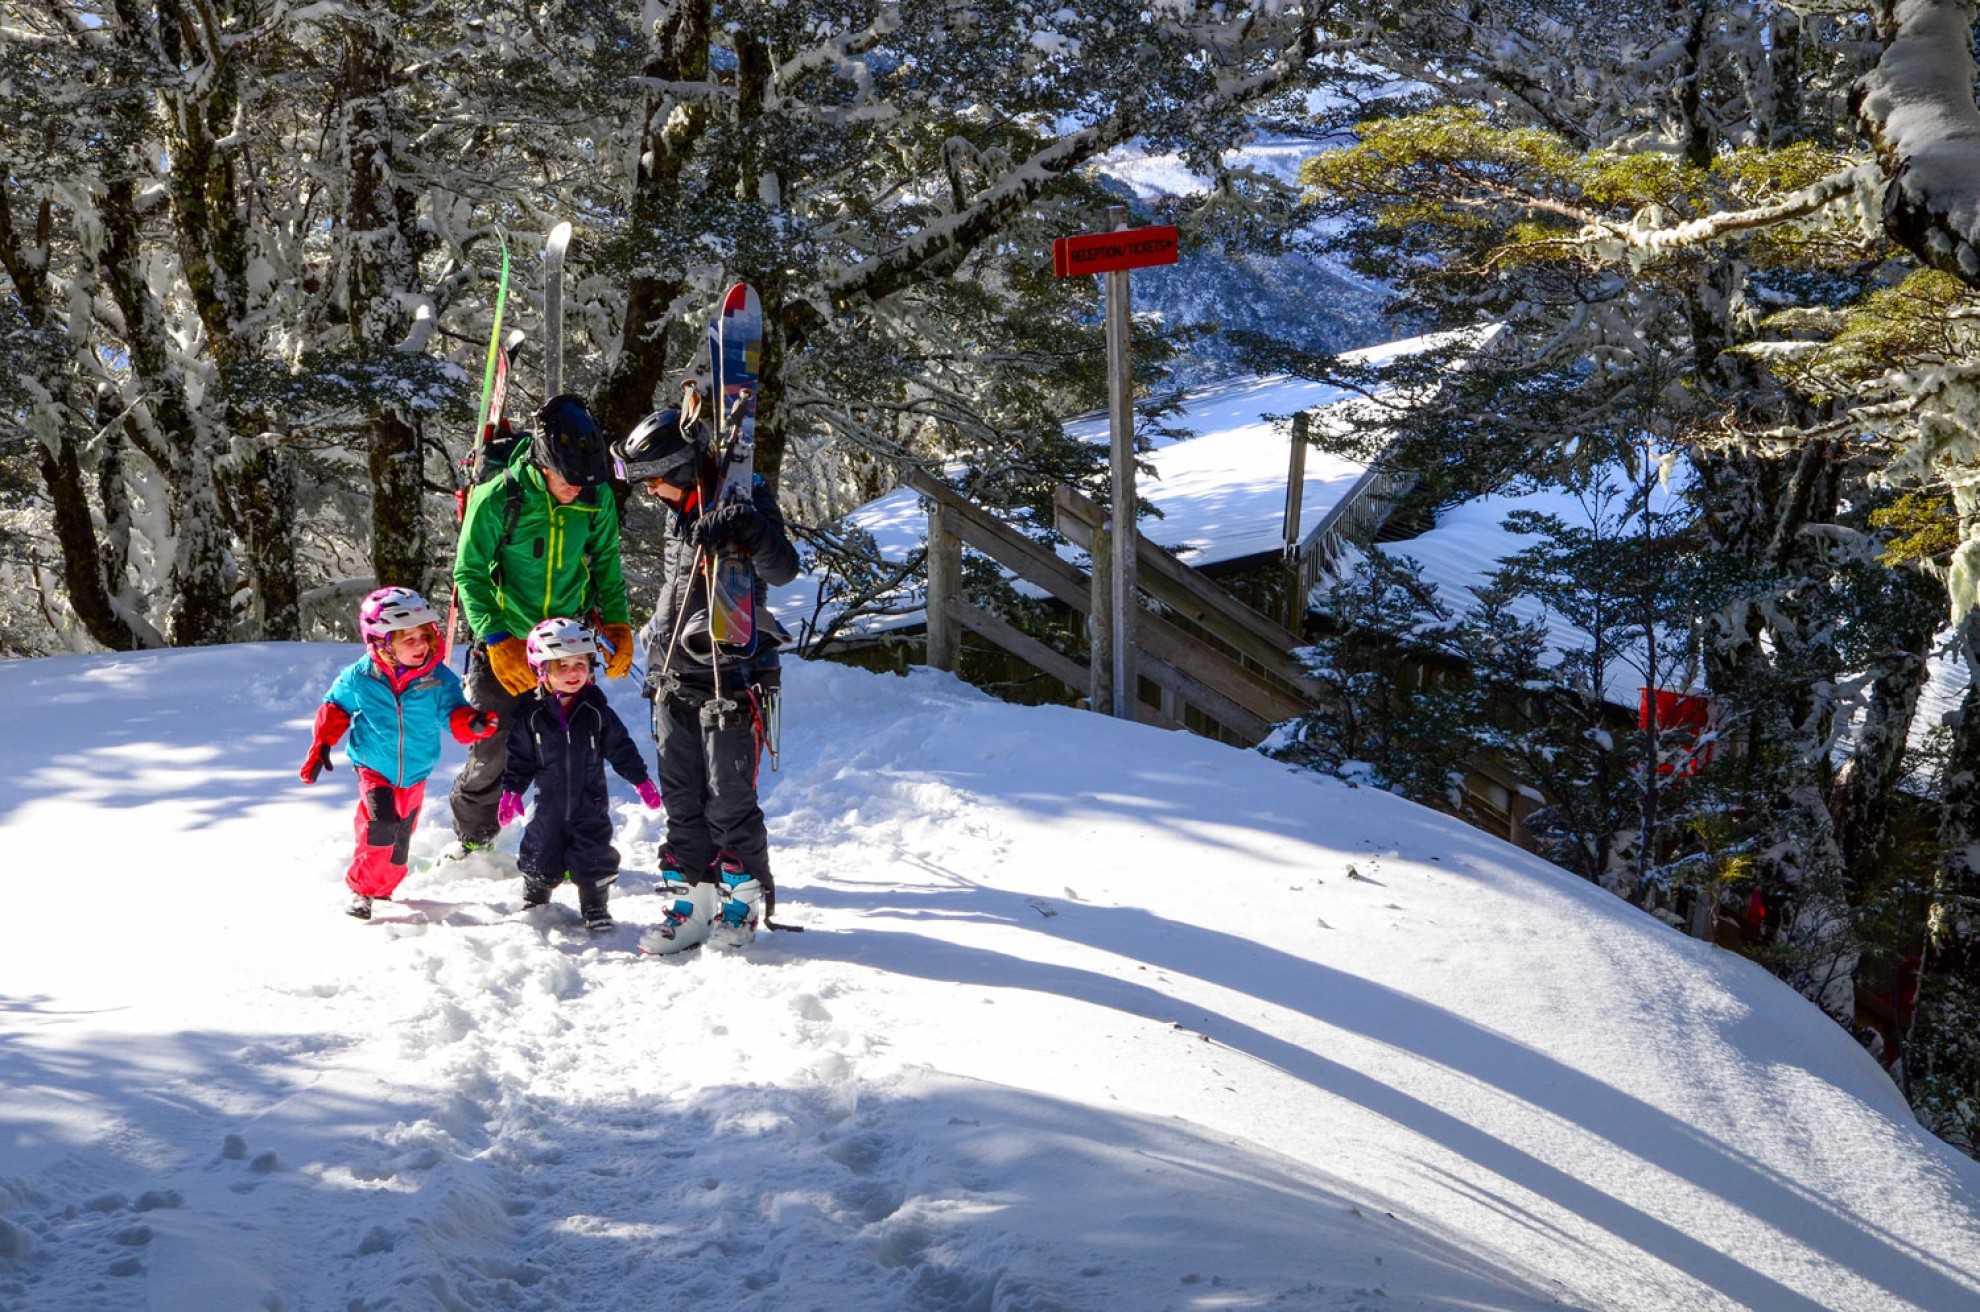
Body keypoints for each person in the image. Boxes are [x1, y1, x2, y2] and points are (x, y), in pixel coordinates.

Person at [609, 398, 800, 952]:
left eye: (655, 478)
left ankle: (742, 901)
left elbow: (783, 570)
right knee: (681, 802)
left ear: (683, 467)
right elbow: (676, 590)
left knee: (727, 800)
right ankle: (693, 903)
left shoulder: (746, 496)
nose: (649, 491)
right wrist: (654, 650)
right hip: (674, 675)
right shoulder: (678, 513)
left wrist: (750, 528)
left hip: (732, 678)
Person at [451, 394, 637, 864]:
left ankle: (573, 850)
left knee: (576, 756)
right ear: (543, 464)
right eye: (569, 480)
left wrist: (617, 622)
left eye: (586, 481)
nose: (579, 489)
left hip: (567, 648)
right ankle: (474, 840)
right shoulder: (500, 498)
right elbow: (469, 572)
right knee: (494, 749)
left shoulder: (594, 497)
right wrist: (495, 638)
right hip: (508, 642)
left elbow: (607, 563)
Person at [300, 587, 499, 919]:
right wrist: (321, 744)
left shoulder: (438, 680)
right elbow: (334, 708)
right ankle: (361, 891)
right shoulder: (360, 677)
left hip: (416, 773)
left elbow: (454, 715)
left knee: (399, 842)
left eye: (425, 635)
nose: (421, 644)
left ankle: (384, 887)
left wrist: (473, 724)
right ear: (382, 642)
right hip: (374, 766)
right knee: (380, 823)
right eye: (409, 639)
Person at [495, 617, 662, 935]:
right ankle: (536, 897)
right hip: (550, 803)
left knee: (594, 852)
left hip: (590, 800)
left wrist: (640, 780)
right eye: (562, 667)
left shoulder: (598, 712)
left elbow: (621, 748)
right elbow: (519, 758)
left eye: (580, 664)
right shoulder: (530, 716)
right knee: (540, 849)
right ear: (542, 671)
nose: (573, 673)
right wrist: (511, 791)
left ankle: (595, 904)